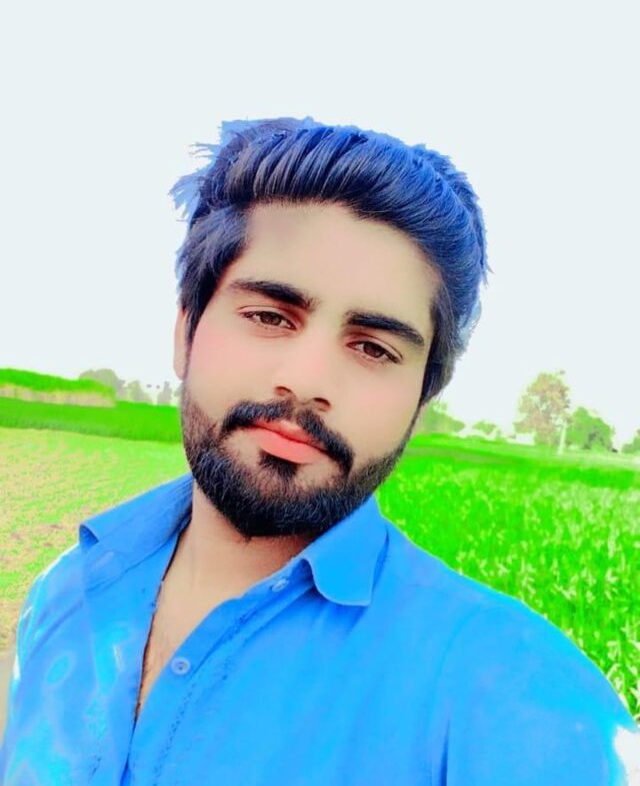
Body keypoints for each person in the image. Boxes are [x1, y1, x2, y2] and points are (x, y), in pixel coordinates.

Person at [1, 117, 638, 784]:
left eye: (374, 349)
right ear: (186, 331)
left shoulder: (516, 698)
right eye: (269, 316)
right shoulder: (68, 592)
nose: (306, 381)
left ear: (421, 401)